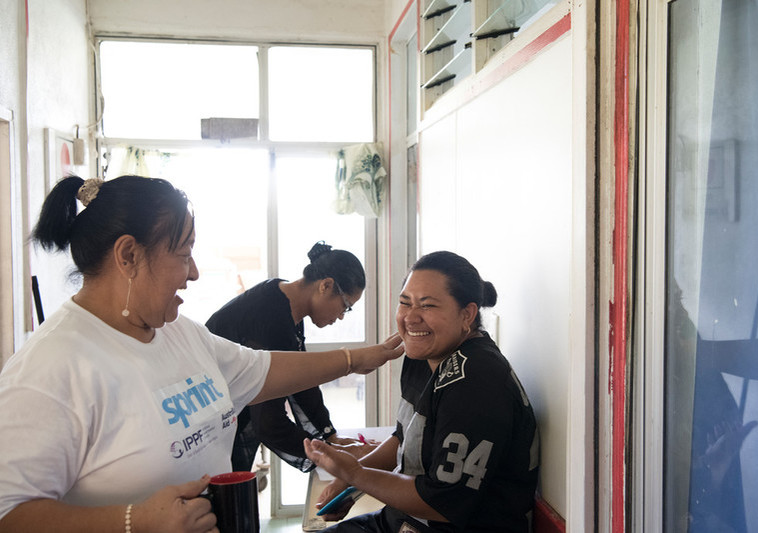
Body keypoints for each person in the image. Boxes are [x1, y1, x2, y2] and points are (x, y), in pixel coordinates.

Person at [0, 175, 403, 533]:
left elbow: (262, 370)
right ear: (128, 256)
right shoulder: (50, 368)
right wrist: (134, 521)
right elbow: (8, 514)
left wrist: (355, 360)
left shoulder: (178, 332)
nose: (193, 273)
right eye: (183, 253)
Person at [304, 251, 540, 532]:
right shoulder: (421, 354)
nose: (410, 318)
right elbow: (405, 437)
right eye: (405, 303)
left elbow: (441, 502)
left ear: (467, 314)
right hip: (402, 520)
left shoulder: (477, 382)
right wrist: (349, 484)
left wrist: (355, 473)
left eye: (427, 306)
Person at [205, 241, 376, 474]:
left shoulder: (285, 303)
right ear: (326, 286)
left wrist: (330, 437)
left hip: (228, 416)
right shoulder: (269, 314)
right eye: (345, 306)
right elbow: (268, 422)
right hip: (208, 425)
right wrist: (326, 454)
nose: (341, 317)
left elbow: (301, 380)